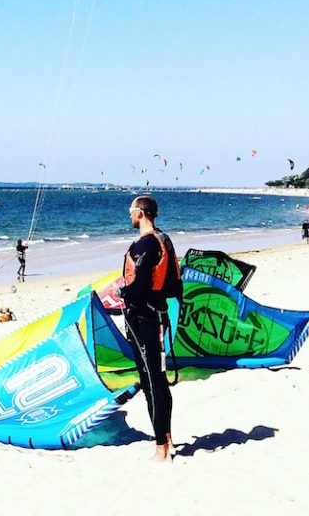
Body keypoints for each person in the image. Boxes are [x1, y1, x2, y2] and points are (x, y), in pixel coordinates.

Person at [120, 195, 182, 462]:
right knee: (158, 382)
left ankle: (161, 449)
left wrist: (121, 291)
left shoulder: (146, 244)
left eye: (132, 211)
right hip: (157, 315)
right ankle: (167, 439)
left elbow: (141, 285)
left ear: (141, 214)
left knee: (151, 383)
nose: (129, 215)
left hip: (143, 319)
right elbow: (171, 286)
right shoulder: (163, 240)